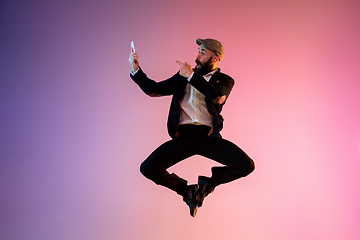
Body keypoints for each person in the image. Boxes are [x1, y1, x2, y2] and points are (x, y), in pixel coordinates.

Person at [128, 38, 255, 217]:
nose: (197, 56)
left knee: (246, 165)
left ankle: (207, 184)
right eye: (198, 51)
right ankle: (186, 191)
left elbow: (217, 96)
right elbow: (154, 90)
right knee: (148, 168)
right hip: (184, 138)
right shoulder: (183, 77)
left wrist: (191, 76)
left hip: (209, 139)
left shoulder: (225, 80)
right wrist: (136, 70)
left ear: (215, 59)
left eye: (203, 53)